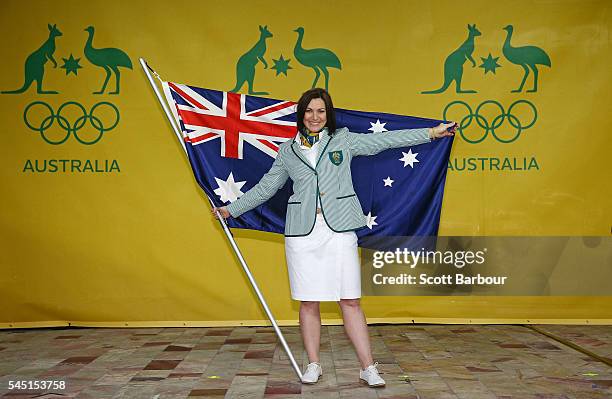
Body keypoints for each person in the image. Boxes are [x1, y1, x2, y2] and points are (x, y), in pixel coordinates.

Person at [214, 88, 455, 387]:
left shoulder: (343, 139)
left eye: (321, 111)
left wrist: (431, 133)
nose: (315, 117)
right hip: (302, 234)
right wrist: (231, 209)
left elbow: (385, 140)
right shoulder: (287, 151)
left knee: (350, 300)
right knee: (308, 301)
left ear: (328, 115)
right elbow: (266, 188)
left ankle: (368, 367)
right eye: (309, 111)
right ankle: (313, 363)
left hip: (339, 230)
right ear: (301, 114)